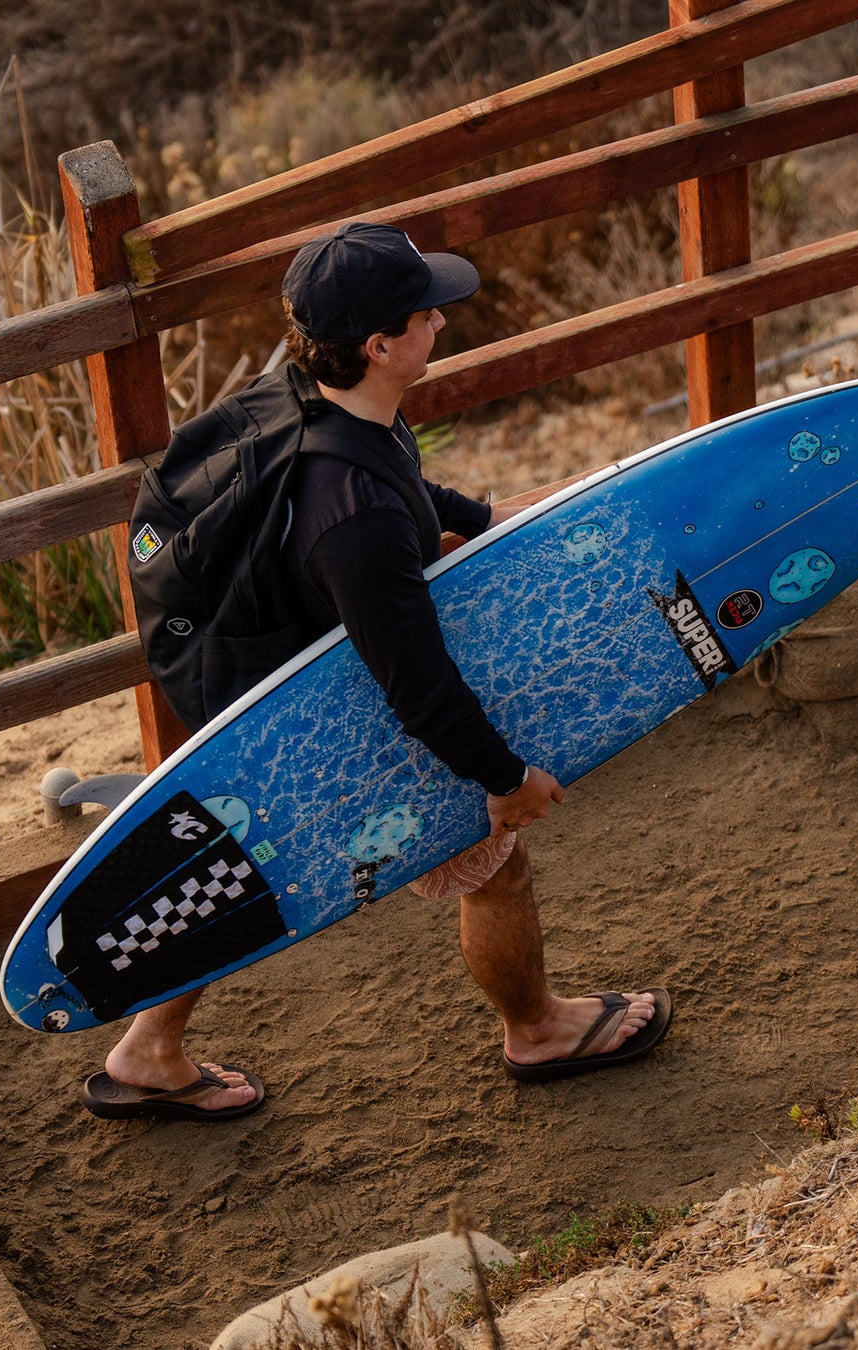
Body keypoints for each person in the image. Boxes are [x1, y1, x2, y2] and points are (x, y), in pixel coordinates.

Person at [80, 223, 671, 1121]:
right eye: (420, 309)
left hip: (268, 675)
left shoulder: (327, 403)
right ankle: (540, 1029)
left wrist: (487, 517)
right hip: (308, 706)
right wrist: (506, 779)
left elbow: (406, 492)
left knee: (250, 865)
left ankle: (147, 1051)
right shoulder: (348, 517)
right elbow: (416, 682)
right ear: (380, 343)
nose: (439, 316)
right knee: (493, 860)